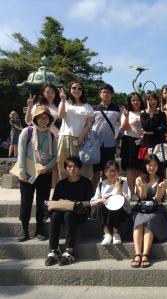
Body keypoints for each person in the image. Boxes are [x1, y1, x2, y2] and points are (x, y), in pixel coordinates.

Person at [17, 106, 57, 242]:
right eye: (40, 117)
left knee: (42, 202)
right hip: (27, 172)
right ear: (35, 118)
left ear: (49, 120)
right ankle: (24, 230)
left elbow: (55, 157)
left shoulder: (51, 134)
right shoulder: (26, 132)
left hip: (45, 173)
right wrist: (22, 172)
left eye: (46, 117)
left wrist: (47, 167)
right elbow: (21, 153)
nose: (43, 120)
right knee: (26, 202)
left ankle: (40, 230)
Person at [45, 156, 94, 266]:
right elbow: (55, 202)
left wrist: (74, 203)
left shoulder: (86, 182)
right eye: (69, 166)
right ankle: (54, 250)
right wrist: (64, 203)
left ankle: (69, 250)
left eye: (75, 166)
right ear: (65, 168)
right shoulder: (61, 184)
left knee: (68, 215)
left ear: (79, 168)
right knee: (56, 215)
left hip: (80, 213)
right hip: (61, 212)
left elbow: (91, 201)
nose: (72, 169)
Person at [131, 155, 167, 268]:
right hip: (142, 208)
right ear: (145, 166)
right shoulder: (139, 179)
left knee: (150, 219)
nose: (152, 167)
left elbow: (158, 200)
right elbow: (142, 197)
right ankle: (137, 254)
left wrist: (160, 189)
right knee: (139, 220)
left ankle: (146, 254)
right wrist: (142, 187)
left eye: (154, 165)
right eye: (149, 165)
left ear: (158, 166)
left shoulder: (162, 180)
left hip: (156, 209)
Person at [25, 83, 61, 186]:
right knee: (42, 164)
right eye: (47, 92)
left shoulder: (58, 105)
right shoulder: (38, 105)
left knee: (56, 165)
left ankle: (53, 190)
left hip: (56, 138)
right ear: (43, 93)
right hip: (41, 139)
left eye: (52, 92)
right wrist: (30, 107)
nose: (50, 94)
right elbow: (28, 121)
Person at [57, 82, 94, 179]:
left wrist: (82, 136)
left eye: (79, 88)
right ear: (70, 89)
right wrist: (63, 100)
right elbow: (60, 115)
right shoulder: (65, 103)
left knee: (80, 167)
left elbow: (89, 124)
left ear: (82, 91)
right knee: (64, 166)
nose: (76, 90)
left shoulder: (87, 106)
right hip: (65, 138)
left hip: (81, 139)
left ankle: (80, 191)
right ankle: (65, 191)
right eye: (74, 88)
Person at [90, 161, 129, 245]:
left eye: (114, 171)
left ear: (118, 171)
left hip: (120, 211)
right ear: (105, 172)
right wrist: (100, 199)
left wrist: (119, 189)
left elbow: (126, 202)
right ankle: (107, 233)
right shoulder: (101, 185)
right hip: (105, 210)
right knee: (99, 206)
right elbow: (92, 202)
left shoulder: (123, 183)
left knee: (116, 204)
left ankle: (115, 233)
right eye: (108, 171)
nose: (111, 173)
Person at [92, 84, 121, 188]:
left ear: (111, 94)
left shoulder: (117, 109)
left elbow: (122, 125)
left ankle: (106, 193)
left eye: (108, 92)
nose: (106, 94)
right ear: (100, 94)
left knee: (108, 171)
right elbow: (89, 125)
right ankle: (93, 194)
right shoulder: (94, 108)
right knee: (95, 172)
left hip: (110, 145)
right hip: (95, 145)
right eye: (103, 92)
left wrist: (118, 137)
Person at [120, 92, 145, 194]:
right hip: (129, 141)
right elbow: (124, 127)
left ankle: (140, 192)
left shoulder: (145, 112)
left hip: (143, 143)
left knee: (141, 168)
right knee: (131, 169)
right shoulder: (127, 112)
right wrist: (126, 117)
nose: (135, 102)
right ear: (130, 102)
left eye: (137, 100)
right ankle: (132, 193)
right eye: (133, 100)